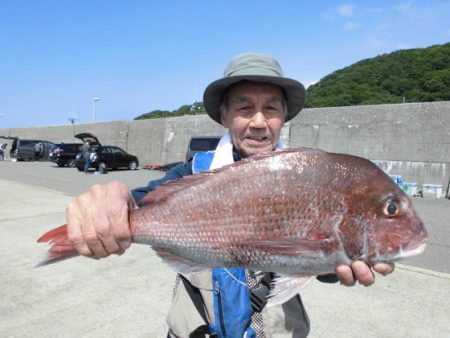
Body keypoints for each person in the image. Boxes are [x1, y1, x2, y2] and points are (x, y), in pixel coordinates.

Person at [66, 53, 394, 337]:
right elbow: (139, 202)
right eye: (244, 108)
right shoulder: (193, 173)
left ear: (284, 118)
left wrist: (335, 263)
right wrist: (110, 200)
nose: (259, 122)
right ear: (224, 116)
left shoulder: (306, 176)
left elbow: (317, 266)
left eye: (271, 109)